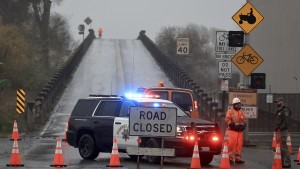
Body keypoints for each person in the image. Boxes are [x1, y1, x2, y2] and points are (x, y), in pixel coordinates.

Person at [225, 97, 247, 164]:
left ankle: (238, 158)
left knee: (239, 145)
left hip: (239, 131)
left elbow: (245, 120)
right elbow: (227, 119)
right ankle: (230, 158)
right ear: (234, 104)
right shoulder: (230, 111)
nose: (238, 105)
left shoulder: (241, 112)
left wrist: (244, 125)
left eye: (239, 104)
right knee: (231, 145)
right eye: (237, 104)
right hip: (232, 131)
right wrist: (231, 124)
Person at [273, 97, 291, 168]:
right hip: (278, 131)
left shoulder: (285, 110)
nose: (277, 103)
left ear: (282, 102)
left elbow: (286, 122)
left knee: (283, 147)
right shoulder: (279, 110)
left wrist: (280, 128)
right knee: (280, 147)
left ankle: (287, 162)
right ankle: (282, 162)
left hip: (282, 131)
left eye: (278, 102)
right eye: (276, 102)